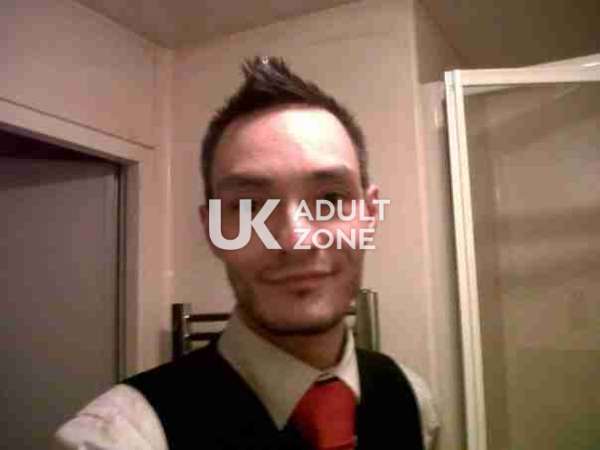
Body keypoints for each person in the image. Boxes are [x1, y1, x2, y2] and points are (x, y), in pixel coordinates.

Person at [55, 57, 439, 450]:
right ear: (213, 229)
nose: (296, 240)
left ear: (370, 215)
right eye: (250, 207)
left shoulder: (415, 399)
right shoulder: (119, 437)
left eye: (329, 200)